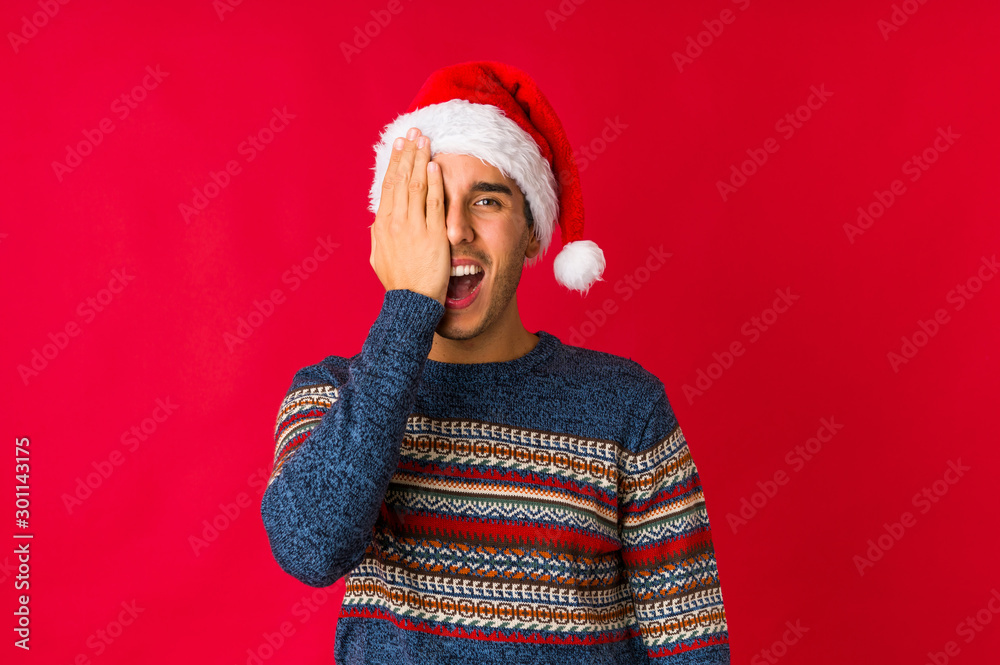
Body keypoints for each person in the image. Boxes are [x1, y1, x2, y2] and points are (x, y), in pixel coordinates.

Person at [261, 61, 731, 664]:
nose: (455, 230)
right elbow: (308, 548)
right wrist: (406, 310)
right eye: (431, 203)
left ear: (532, 234)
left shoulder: (626, 404)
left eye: (487, 200)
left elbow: (691, 645)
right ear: (395, 231)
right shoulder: (332, 395)